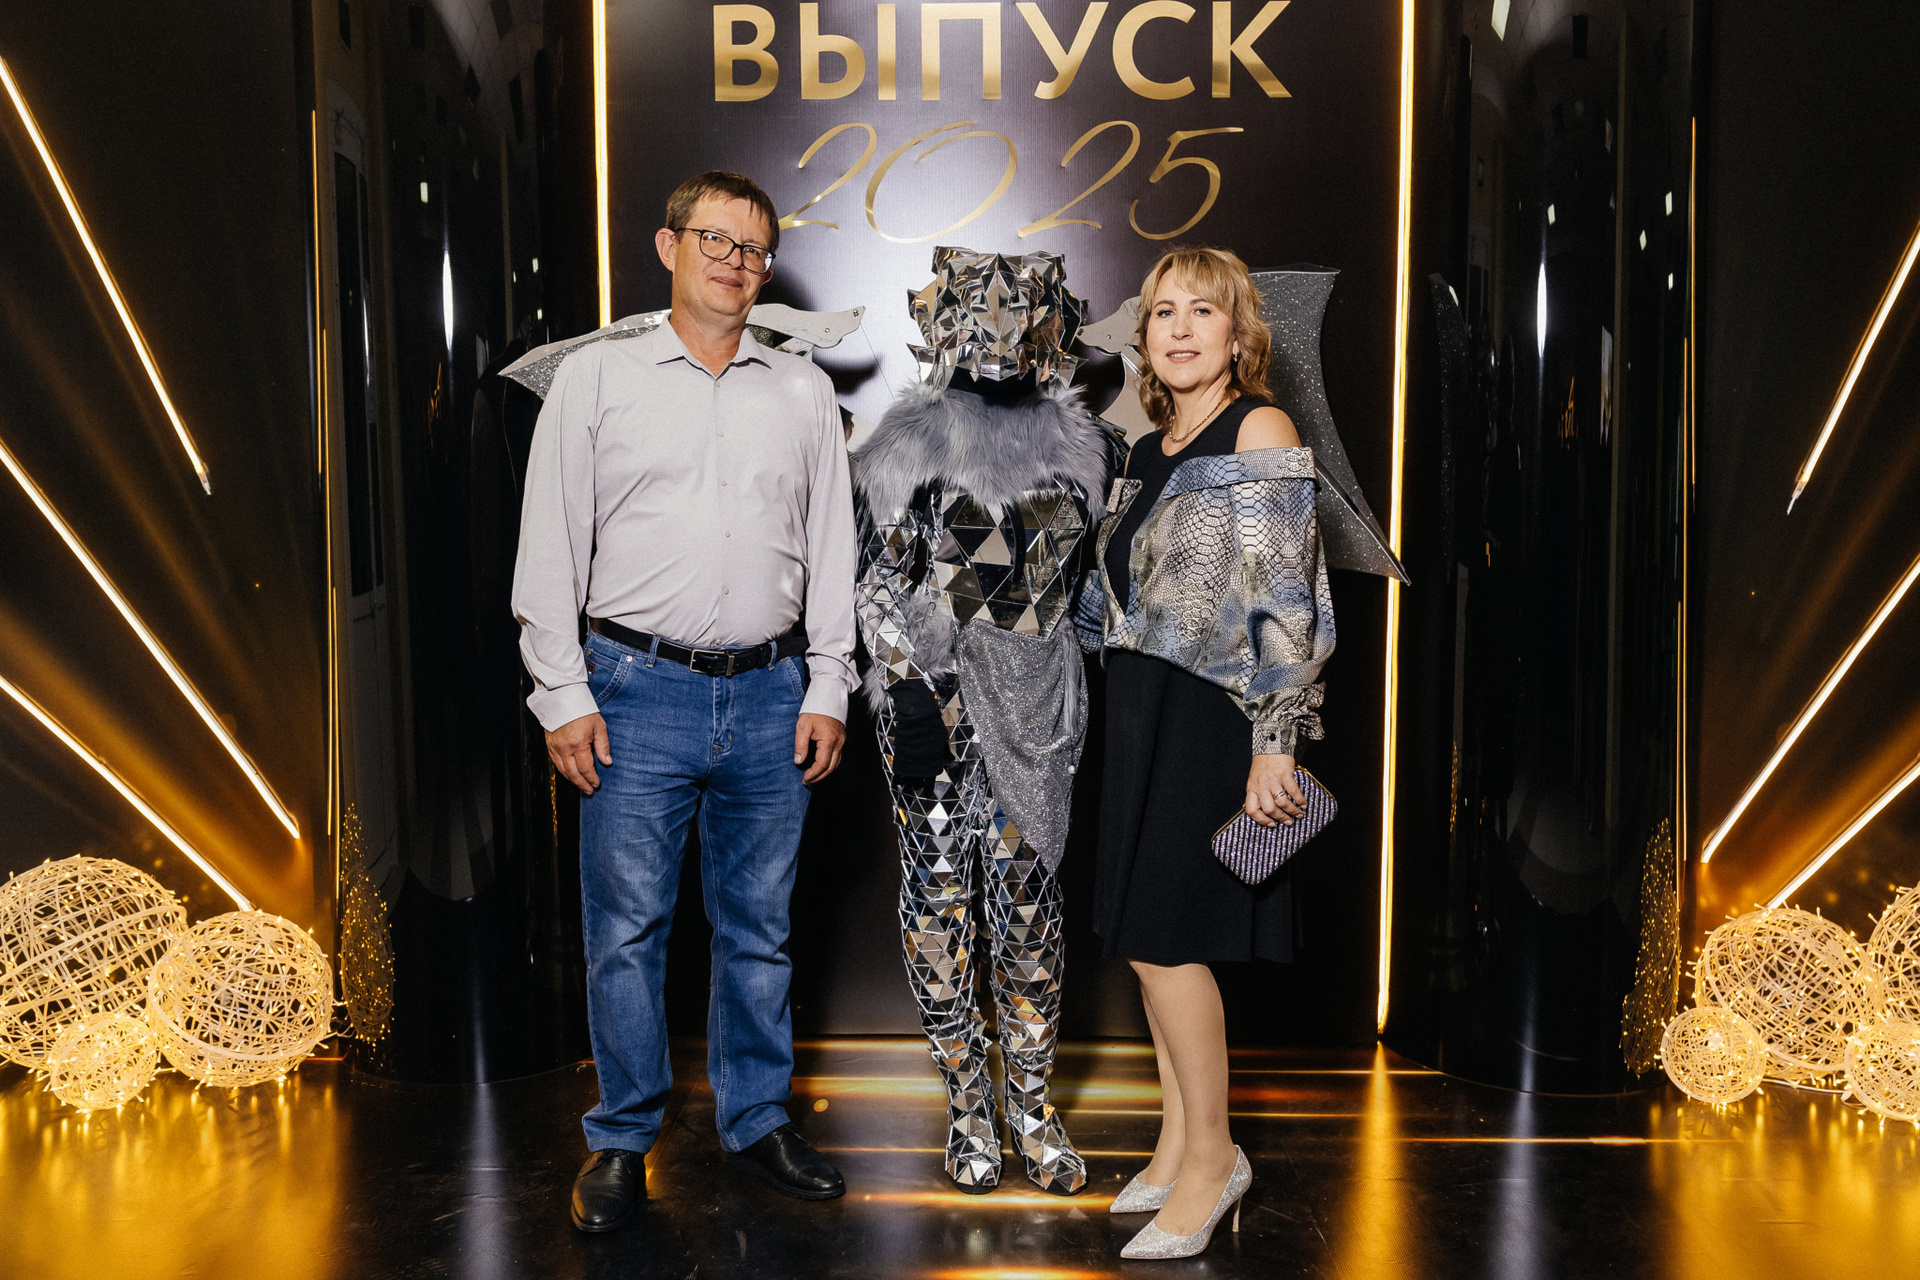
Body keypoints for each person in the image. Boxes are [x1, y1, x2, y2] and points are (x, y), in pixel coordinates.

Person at [511, 171, 858, 1233]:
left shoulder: (801, 390)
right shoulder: (595, 379)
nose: (735, 263)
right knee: (626, 931)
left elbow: (833, 545)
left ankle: (757, 1119)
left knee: (759, 929)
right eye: (716, 240)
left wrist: (830, 680)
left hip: (772, 693)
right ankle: (622, 1137)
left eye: (753, 249)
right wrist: (561, 693)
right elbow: (549, 543)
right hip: (633, 691)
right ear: (668, 246)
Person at [1084, 246, 1336, 1260]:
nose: (1180, 328)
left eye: (1203, 311)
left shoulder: (1258, 427)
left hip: (1211, 715)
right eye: (1163, 313)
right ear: (1144, 336)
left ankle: (1215, 1159)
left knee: (1167, 939)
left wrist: (1276, 744)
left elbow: (1288, 600)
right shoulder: (1145, 448)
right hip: (1140, 707)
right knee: (1147, 939)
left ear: (1239, 334)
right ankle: (1177, 1140)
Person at [851, 247, 1110, 1196]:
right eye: (979, 312)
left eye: (1020, 311)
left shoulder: (1090, 450)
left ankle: (1031, 1107)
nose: (999, 333)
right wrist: (909, 691)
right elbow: (877, 585)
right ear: (946, 320)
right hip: (938, 699)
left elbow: (1096, 591)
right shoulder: (909, 442)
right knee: (940, 901)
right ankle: (968, 1105)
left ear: (1051, 322)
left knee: (1031, 907)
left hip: (1040, 706)